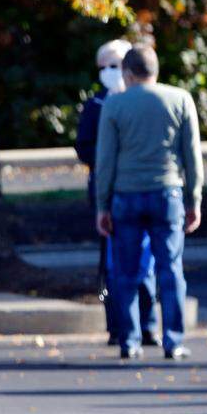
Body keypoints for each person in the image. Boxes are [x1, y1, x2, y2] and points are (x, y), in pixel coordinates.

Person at [95, 44, 203, 361]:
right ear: (155, 71)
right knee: (170, 269)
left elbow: (105, 160)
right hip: (167, 192)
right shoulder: (180, 98)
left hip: (126, 195)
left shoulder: (115, 105)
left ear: (128, 74)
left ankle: (129, 341)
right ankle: (173, 340)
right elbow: (192, 156)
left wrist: (102, 205)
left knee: (125, 272)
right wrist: (194, 198)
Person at [75, 39, 158, 347]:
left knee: (144, 262)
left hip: (140, 190)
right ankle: (117, 324)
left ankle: (146, 324)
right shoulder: (96, 104)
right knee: (111, 267)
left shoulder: (145, 101)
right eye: (104, 66)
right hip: (108, 193)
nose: (110, 72)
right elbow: (84, 147)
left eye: (116, 65)